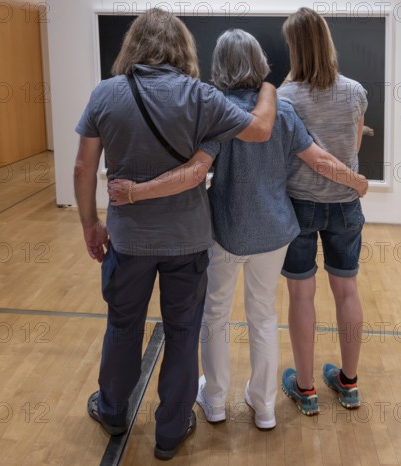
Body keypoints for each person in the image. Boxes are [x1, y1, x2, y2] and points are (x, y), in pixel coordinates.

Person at [108, 28, 367, 429]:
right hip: (274, 232)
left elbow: (195, 172)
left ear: (220, 66)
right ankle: (263, 407)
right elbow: (318, 160)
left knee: (215, 316)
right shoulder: (281, 110)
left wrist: (136, 192)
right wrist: (356, 181)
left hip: (223, 231)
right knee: (262, 317)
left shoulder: (215, 111)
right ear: (260, 62)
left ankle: (214, 401)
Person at [73, 9, 277, 461]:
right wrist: (267, 86)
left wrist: (90, 223)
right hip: (187, 241)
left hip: (127, 241)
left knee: (122, 326)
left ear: (133, 46)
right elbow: (261, 129)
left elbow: (84, 167)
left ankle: (111, 410)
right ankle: (171, 429)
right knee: (184, 332)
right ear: (183, 48)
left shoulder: (105, 94)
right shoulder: (201, 96)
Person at [278, 7, 369, 415]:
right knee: (347, 291)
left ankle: (307, 389)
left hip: (298, 206)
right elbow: (355, 150)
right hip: (345, 206)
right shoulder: (355, 92)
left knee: (302, 294)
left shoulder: (284, 97)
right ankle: (348, 384)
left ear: (294, 48)